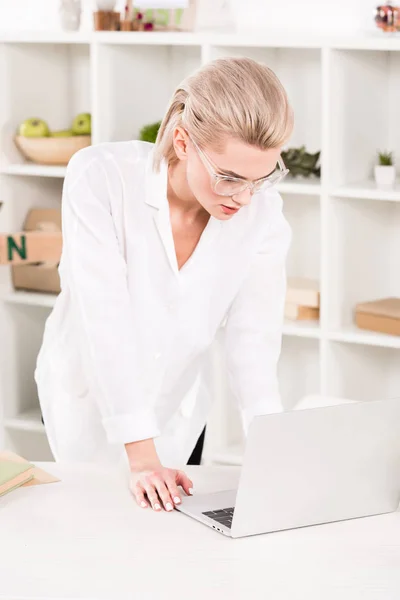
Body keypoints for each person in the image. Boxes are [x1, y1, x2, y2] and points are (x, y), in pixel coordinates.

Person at [35, 56, 293, 514]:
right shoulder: (101, 178)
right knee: (86, 538)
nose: (244, 197)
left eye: (261, 178)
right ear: (183, 141)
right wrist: (142, 458)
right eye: (229, 177)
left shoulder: (264, 216)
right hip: (86, 399)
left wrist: (274, 458)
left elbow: (253, 344)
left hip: (178, 407)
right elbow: (104, 318)